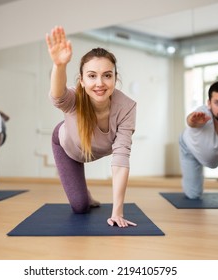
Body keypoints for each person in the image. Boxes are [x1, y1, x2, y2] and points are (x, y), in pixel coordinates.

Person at [46, 26, 137, 227]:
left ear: (115, 77)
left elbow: (121, 159)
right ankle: (83, 193)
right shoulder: (74, 99)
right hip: (67, 145)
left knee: (88, 203)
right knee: (80, 207)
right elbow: (58, 96)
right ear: (82, 80)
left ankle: (82, 190)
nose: (100, 83)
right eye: (92, 75)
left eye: (107, 75)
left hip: (89, 147)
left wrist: (117, 212)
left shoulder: (127, 107)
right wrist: (59, 65)